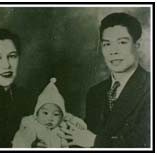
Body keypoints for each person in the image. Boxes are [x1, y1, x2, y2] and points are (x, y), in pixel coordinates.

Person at [59, 12, 150, 148]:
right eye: (107, 44)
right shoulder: (95, 92)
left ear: (137, 45)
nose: (113, 51)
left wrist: (94, 142)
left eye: (122, 42)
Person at [12, 78, 87, 148]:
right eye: (45, 113)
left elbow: (71, 119)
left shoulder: (61, 125)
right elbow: (20, 141)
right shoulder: (32, 125)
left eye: (56, 114)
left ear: (62, 116)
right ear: (37, 113)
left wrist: (79, 124)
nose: (50, 118)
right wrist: (32, 145)